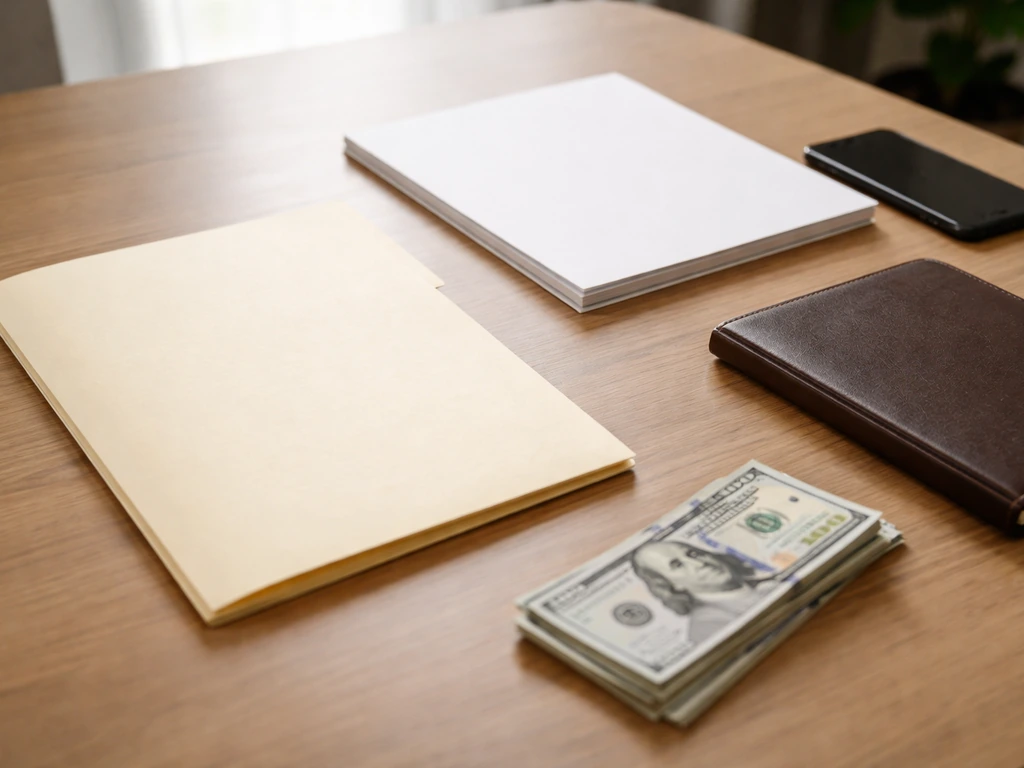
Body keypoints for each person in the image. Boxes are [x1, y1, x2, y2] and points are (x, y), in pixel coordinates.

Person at [630, 540, 775, 645]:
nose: (699, 564)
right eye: (677, 565)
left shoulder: (764, 581)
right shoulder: (707, 625)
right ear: (671, 585)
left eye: (692, 554)